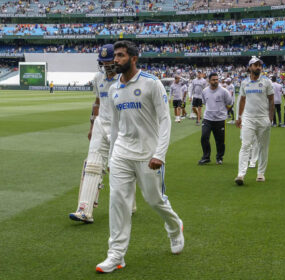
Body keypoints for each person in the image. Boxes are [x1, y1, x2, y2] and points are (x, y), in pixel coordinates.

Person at [96, 41, 184, 273]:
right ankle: (116, 255)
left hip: (148, 154)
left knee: (155, 200)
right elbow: (115, 126)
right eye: (115, 56)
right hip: (122, 153)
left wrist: (160, 154)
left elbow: (165, 121)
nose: (116, 60)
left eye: (121, 55)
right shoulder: (114, 88)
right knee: (118, 202)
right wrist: (112, 156)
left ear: (134, 58)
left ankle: (175, 228)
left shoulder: (152, 83)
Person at [69, 44, 131, 223]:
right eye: (102, 63)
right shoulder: (98, 77)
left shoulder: (125, 78)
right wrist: (92, 126)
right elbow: (97, 102)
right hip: (100, 125)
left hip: (120, 127)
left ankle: (130, 202)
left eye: (108, 62)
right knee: (93, 165)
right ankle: (84, 210)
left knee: (120, 167)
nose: (106, 66)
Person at [235, 56, 274, 185]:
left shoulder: (267, 82)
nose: (258, 67)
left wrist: (271, 118)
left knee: (263, 147)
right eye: (255, 65)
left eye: (259, 65)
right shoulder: (244, 83)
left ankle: (261, 173)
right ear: (250, 67)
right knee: (245, 145)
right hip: (248, 118)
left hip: (263, 119)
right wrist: (239, 117)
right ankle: (241, 174)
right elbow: (242, 100)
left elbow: (271, 100)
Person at [198, 73, 233, 165]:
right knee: (204, 137)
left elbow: (230, 103)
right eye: (213, 80)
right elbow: (205, 102)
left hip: (220, 120)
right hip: (207, 119)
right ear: (209, 81)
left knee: (220, 141)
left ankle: (219, 157)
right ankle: (206, 157)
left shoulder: (224, 91)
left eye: (217, 79)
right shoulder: (205, 91)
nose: (215, 81)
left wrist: (223, 112)